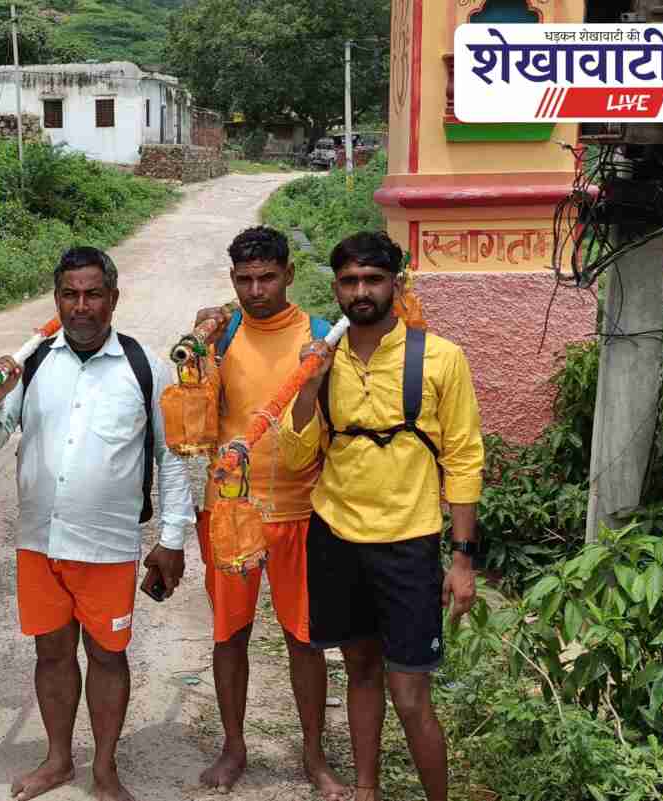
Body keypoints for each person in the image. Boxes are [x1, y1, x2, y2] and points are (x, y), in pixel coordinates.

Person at [0, 247, 195, 801]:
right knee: (51, 654)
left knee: (107, 655)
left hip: (109, 546)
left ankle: (106, 768)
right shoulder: (34, 364)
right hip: (39, 542)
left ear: (113, 299)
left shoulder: (145, 366)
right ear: (56, 300)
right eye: (70, 294)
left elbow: (174, 457)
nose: (82, 306)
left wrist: (171, 539)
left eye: (94, 294)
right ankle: (57, 760)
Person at [278, 232, 484, 801]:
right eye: (349, 281)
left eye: (373, 279)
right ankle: (366, 789)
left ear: (396, 284)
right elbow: (298, 455)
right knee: (360, 668)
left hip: (408, 542)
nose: (361, 292)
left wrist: (462, 560)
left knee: (411, 693)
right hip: (336, 534)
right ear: (336, 289)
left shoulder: (440, 358)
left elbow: (464, 461)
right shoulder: (323, 357)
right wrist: (308, 385)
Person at [189, 226, 348, 798]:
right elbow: (192, 421)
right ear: (232, 280)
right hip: (229, 512)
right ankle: (234, 748)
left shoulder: (323, 336)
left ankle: (314, 756)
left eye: (267, 277)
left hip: (303, 512)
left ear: (288, 275)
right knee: (230, 634)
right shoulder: (220, 331)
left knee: (304, 639)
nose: (256, 289)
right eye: (244, 279)